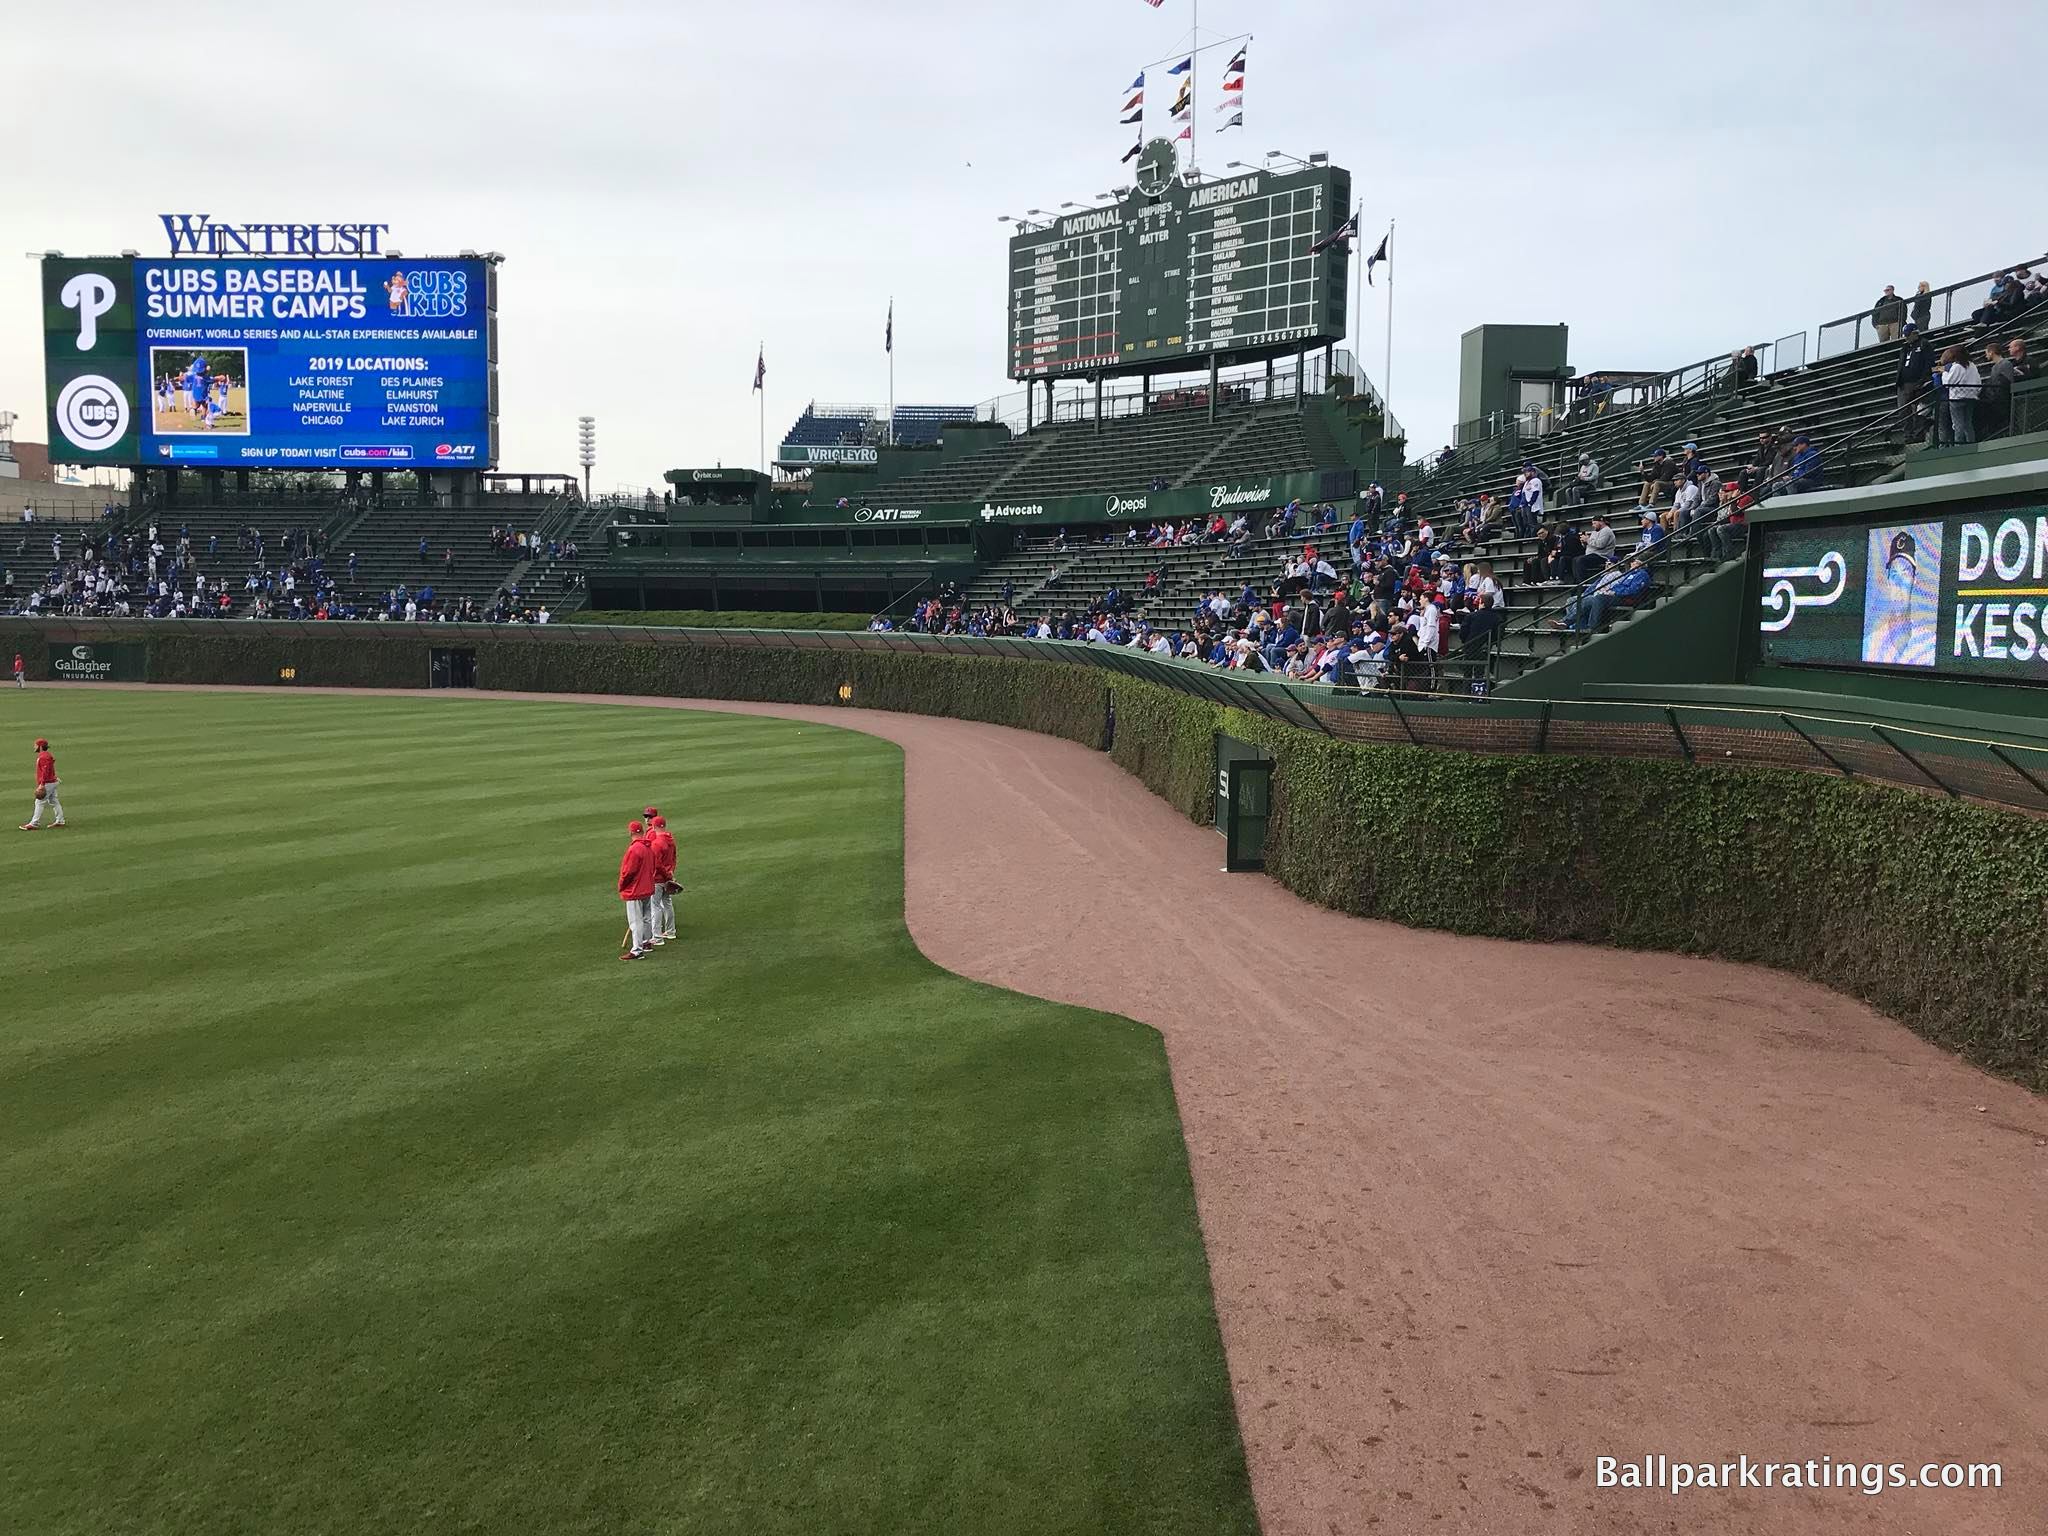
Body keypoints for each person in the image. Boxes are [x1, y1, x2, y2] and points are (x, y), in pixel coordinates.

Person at [617, 818, 656, 959]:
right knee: (646, 917)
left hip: (634, 890)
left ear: (630, 832)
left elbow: (628, 872)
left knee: (635, 921)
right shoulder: (648, 847)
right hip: (647, 887)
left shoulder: (634, 849)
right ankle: (646, 942)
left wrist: (621, 885)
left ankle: (637, 950)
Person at [645, 807, 678, 944]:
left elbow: (656, 864)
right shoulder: (671, 839)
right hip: (668, 876)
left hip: (658, 878)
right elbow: (675, 858)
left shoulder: (657, 843)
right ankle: (671, 931)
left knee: (655, 906)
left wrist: (665, 875)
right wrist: (671, 873)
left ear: (654, 826)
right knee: (667, 903)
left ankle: (657, 937)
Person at [1939, 345, 1982, 444]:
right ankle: (1971, 443)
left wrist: (1945, 372)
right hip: (1971, 397)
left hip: (1957, 398)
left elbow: (1948, 383)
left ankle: (1959, 445)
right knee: (1968, 423)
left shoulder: (1957, 366)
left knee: (1958, 424)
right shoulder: (1972, 365)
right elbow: (1978, 382)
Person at [21, 736, 63, 829]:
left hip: (48, 783)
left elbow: (45, 771)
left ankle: (34, 823)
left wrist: (42, 784)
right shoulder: (46, 755)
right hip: (52, 781)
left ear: (40, 746)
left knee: (39, 802)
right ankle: (60, 820)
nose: (34, 747)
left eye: (35, 745)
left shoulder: (44, 756)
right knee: (54, 801)